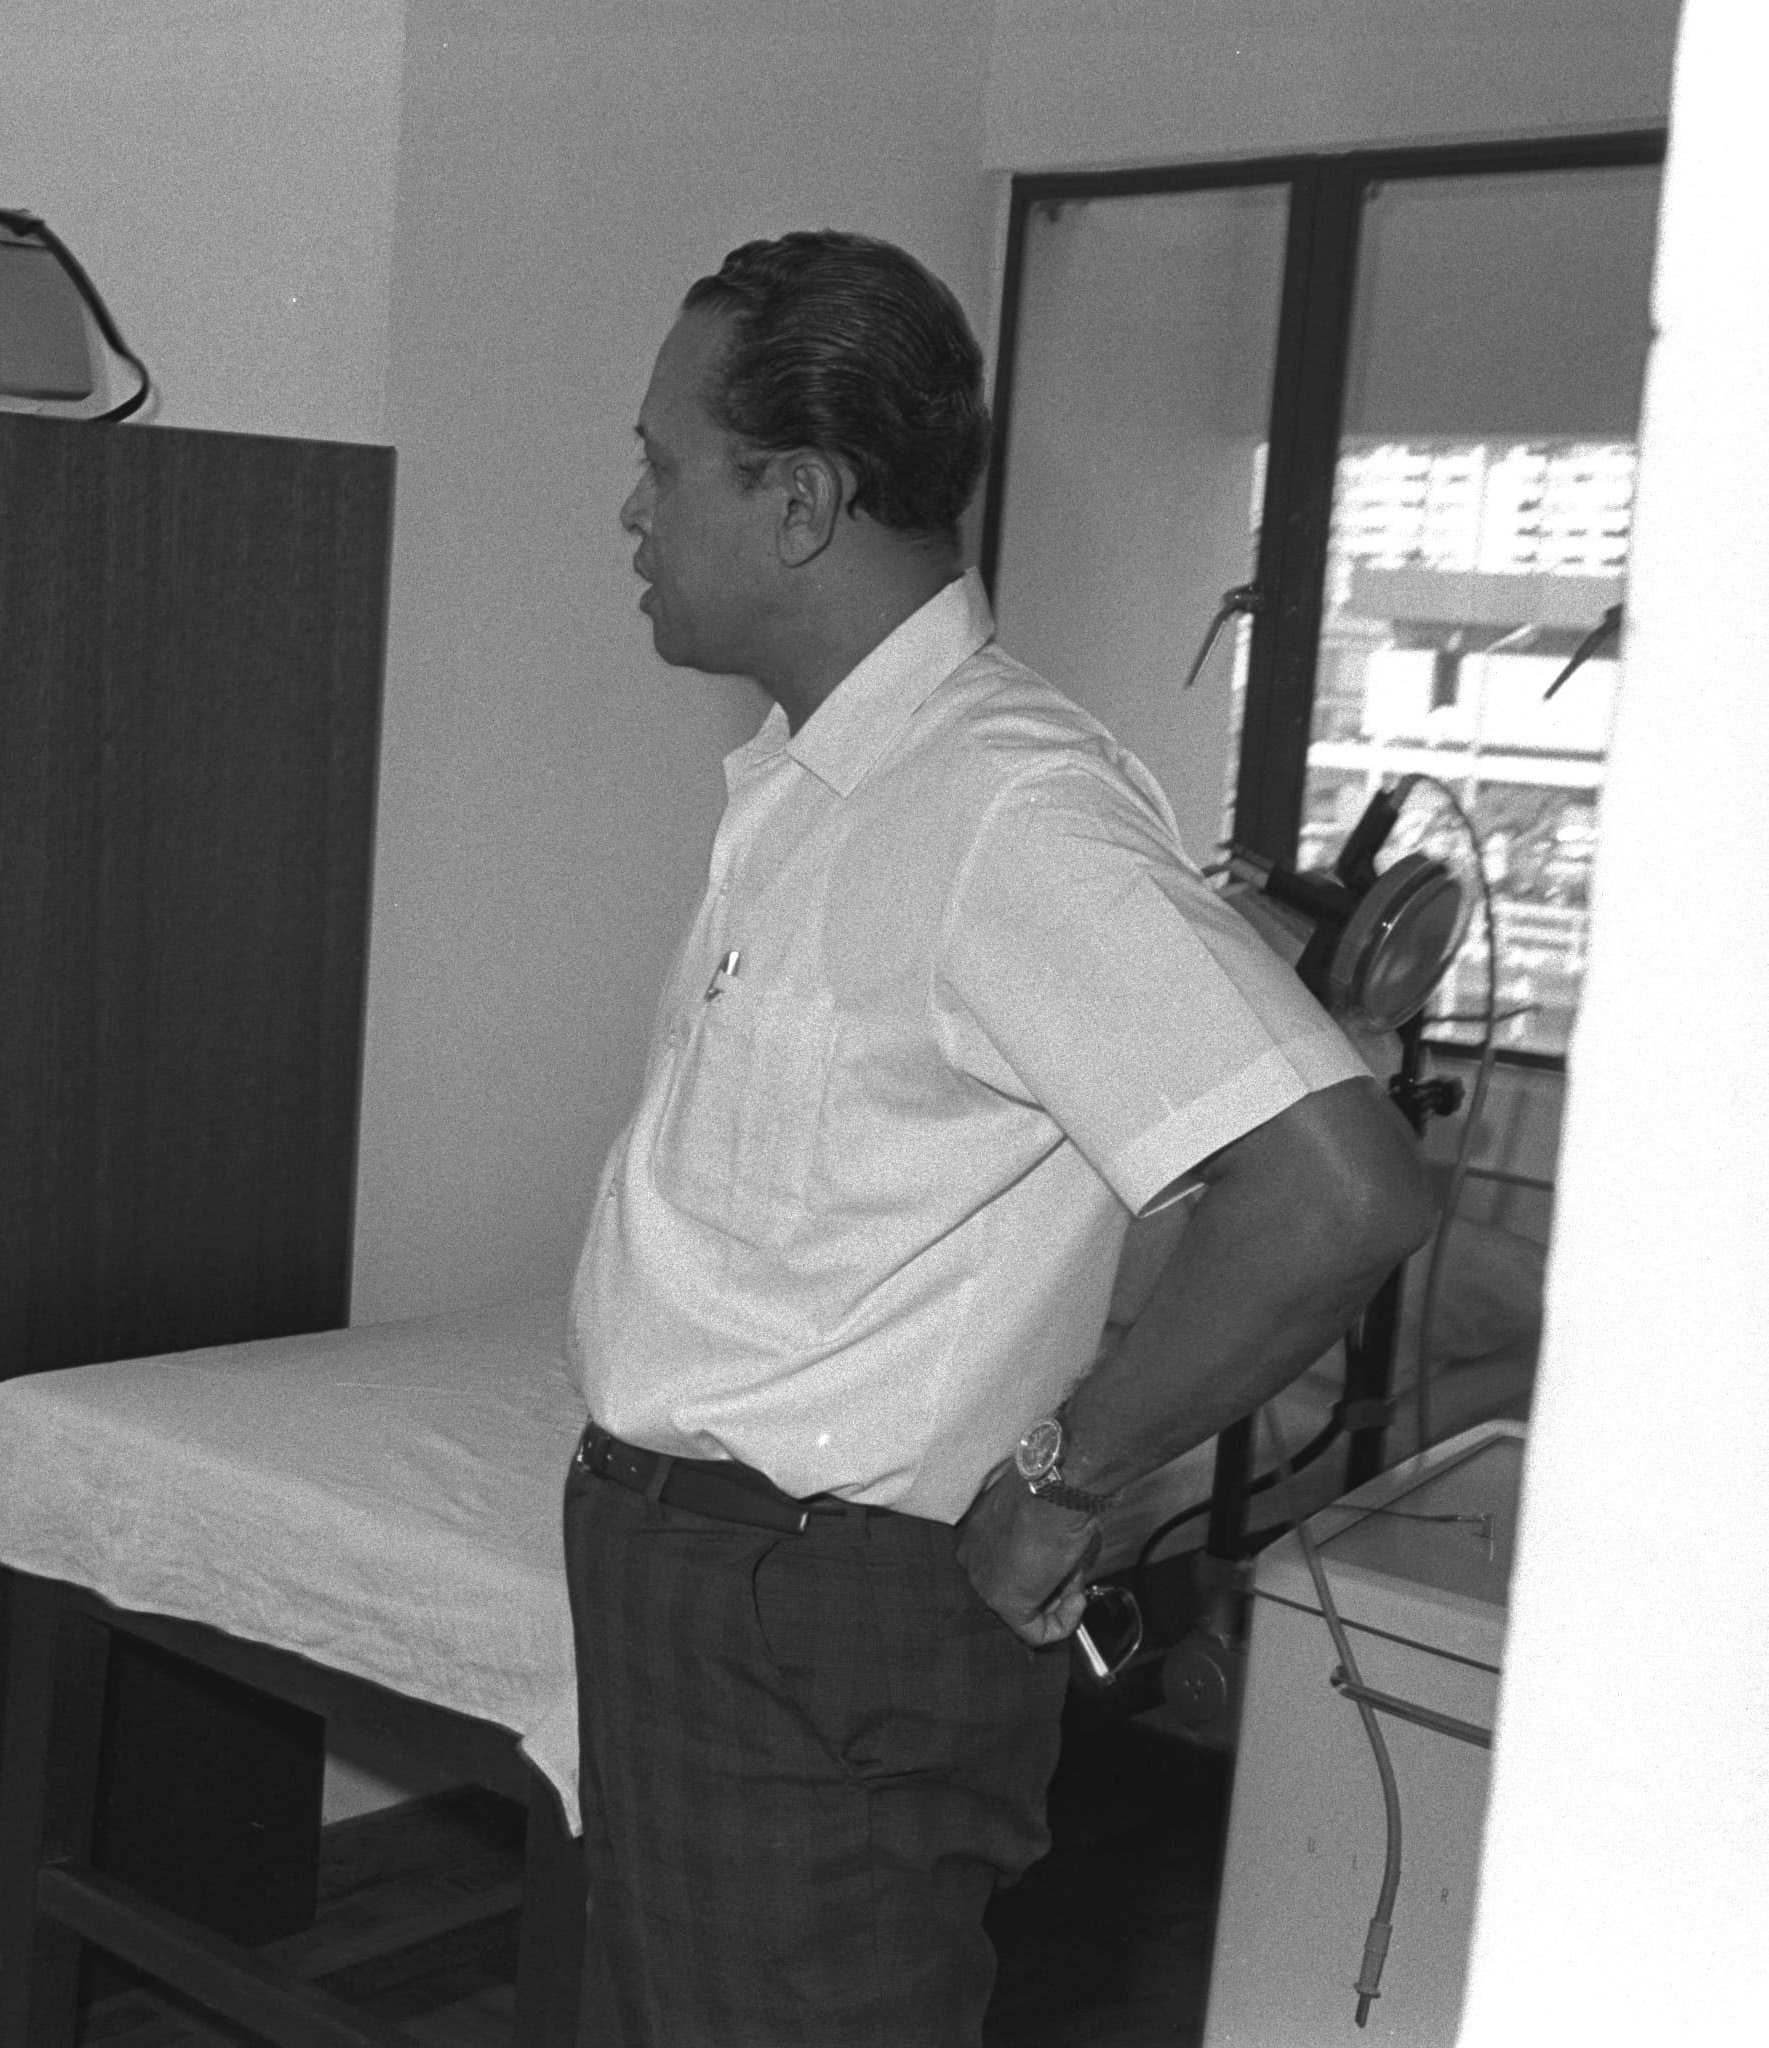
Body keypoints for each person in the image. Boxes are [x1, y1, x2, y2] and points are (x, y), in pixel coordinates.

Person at [564, 231, 1435, 2045]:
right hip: (709, 1584)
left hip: (808, 1607)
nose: (632, 507)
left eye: (663, 462)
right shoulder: (827, 782)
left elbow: (1335, 1190)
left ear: (798, 498)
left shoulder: (998, 808)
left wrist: (1065, 1477)